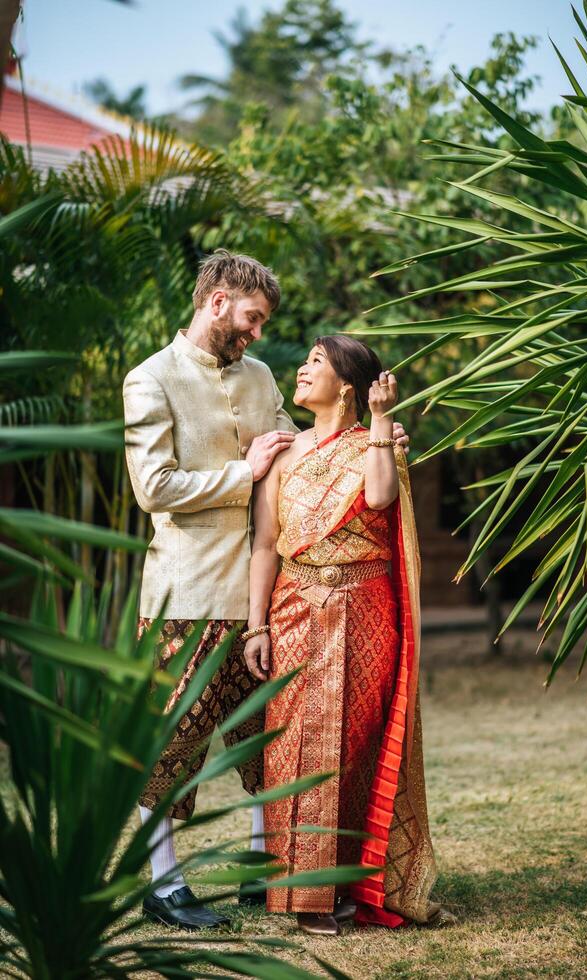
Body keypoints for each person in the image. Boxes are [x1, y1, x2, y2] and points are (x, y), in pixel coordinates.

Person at [123, 252, 409, 931]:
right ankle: (163, 885)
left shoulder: (259, 379)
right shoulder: (150, 379)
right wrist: (240, 472)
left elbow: (305, 449)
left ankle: (264, 873)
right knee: (170, 744)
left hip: (267, 599)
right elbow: (152, 488)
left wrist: (376, 438)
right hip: (185, 596)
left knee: (266, 742)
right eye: (252, 320)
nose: (256, 335)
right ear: (218, 302)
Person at [244, 334, 450, 936]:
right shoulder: (283, 455)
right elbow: (263, 545)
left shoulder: (375, 444)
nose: (302, 370)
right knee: (293, 750)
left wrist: (383, 421)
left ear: (348, 386)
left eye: (315, 362)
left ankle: (355, 886)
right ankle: (302, 897)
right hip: (292, 608)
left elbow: (381, 494)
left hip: (364, 612)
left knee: (356, 749)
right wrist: (257, 627)